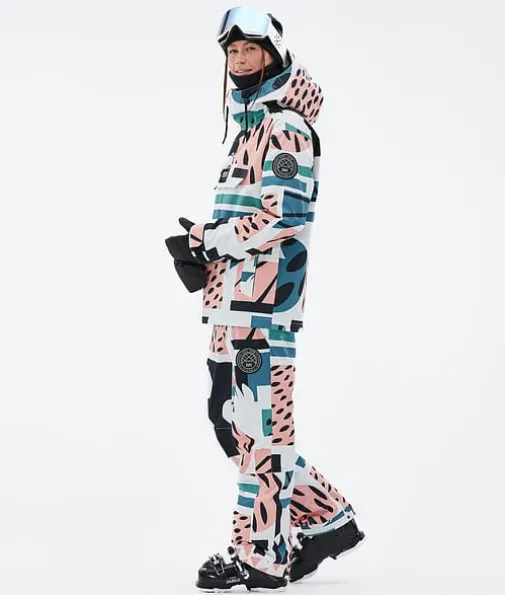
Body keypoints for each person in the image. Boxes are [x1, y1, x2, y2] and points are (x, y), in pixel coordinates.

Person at [165, 6, 366, 592]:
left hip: (264, 310)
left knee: (259, 434)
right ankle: (328, 519)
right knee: (229, 422)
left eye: (249, 49)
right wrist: (206, 246)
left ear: (273, 54)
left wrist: (213, 240)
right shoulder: (249, 126)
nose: (239, 60)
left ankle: (261, 556)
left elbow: (285, 215)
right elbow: (250, 215)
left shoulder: (286, 128)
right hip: (231, 305)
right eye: (232, 52)